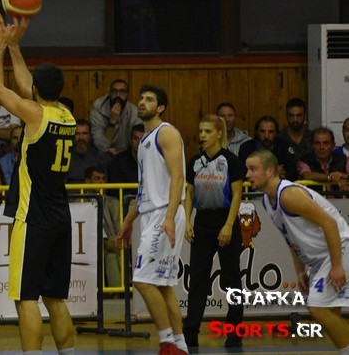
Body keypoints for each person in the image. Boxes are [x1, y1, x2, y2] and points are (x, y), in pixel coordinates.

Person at [0, 11, 76, 354]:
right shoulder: (65, 115)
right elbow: (28, 88)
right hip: (61, 217)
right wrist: (16, 48)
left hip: (33, 217)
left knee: (25, 298)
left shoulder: (35, 115)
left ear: (37, 89)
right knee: (55, 298)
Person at [246, 149, 349, 353]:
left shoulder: (289, 195)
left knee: (317, 307)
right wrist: (301, 270)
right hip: (321, 258)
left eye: (252, 169)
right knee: (330, 313)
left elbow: (329, 224)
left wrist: (337, 265)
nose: (247, 175)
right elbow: (291, 238)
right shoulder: (267, 200)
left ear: (269, 171)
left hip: (339, 248)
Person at [115, 85, 188, 355]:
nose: (142, 102)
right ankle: (180, 345)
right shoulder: (145, 140)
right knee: (162, 285)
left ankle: (166, 342)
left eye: (149, 99)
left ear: (161, 107)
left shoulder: (166, 133)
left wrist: (168, 217)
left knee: (142, 281)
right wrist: (128, 220)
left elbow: (178, 177)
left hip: (164, 213)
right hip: (152, 213)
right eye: (141, 98)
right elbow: (144, 188)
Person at [183, 115, 245, 349]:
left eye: (207, 131)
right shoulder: (194, 161)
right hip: (202, 222)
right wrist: (187, 221)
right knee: (198, 279)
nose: (202, 135)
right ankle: (190, 332)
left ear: (219, 133)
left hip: (225, 219)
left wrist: (228, 225)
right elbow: (189, 193)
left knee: (232, 279)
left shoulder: (231, 161)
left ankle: (235, 331)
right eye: (201, 131)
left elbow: (237, 194)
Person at [85, 165, 120, 290]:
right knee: (101, 255)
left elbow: (119, 229)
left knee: (111, 257)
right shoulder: (80, 202)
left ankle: (117, 295)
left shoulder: (114, 203)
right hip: (89, 246)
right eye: (97, 179)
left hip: (110, 243)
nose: (101, 182)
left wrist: (111, 243)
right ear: (87, 182)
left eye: (103, 179)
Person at [90, 78, 142, 156]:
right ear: (109, 94)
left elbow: (138, 143)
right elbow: (101, 145)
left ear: (127, 95)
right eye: (114, 91)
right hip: (102, 154)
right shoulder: (97, 111)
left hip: (127, 155)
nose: (118, 95)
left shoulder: (134, 112)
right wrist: (112, 121)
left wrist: (121, 154)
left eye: (122, 92)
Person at [238, 115, 298, 181]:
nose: (266, 136)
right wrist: (273, 172)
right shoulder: (246, 148)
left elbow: (293, 173)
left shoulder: (284, 147)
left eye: (270, 132)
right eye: (262, 131)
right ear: (257, 132)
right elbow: (241, 174)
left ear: (276, 133)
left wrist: (284, 174)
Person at [297, 127, 348, 191]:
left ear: (333, 146)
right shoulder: (304, 160)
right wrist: (330, 177)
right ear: (312, 145)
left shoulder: (344, 159)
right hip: (315, 197)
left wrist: (343, 176)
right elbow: (306, 175)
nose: (321, 147)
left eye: (326, 143)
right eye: (317, 143)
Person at [67, 119, 110, 184]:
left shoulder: (99, 157)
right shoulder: (65, 156)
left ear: (90, 136)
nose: (81, 137)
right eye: (77, 134)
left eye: (84, 134)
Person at [278, 97, 313, 162]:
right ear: (287, 116)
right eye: (291, 115)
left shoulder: (312, 137)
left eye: (299, 115)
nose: (295, 119)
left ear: (305, 116)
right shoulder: (279, 138)